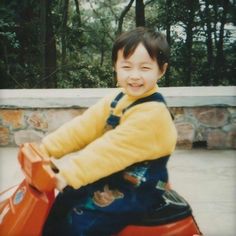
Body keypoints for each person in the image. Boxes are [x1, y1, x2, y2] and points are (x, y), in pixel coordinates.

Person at [41, 27, 177, 236]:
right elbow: (84, 126)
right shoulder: (119, 98)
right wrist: (47, 149)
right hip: (113, 178)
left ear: (161, 70)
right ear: (115, 66)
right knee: (64, 200)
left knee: (79, 223)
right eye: (126, 66)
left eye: (144, 68)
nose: (134, 76)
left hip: (136, 191)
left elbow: (110, 150)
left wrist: (69, 174)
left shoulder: (153, 114)